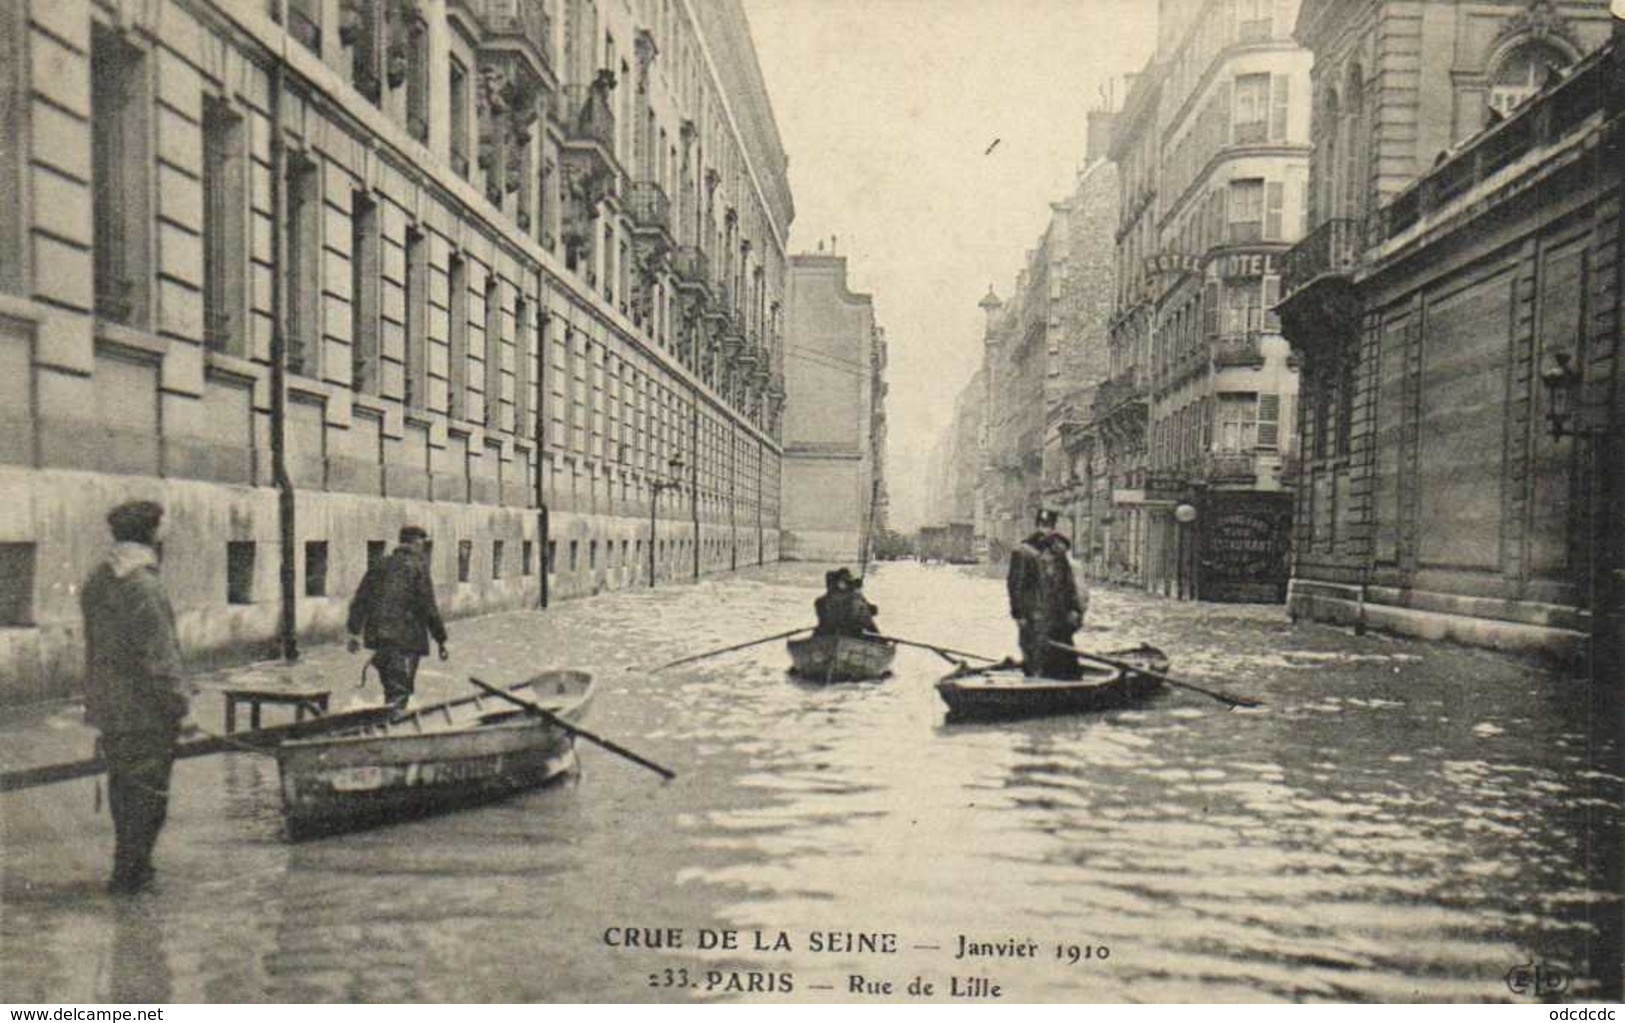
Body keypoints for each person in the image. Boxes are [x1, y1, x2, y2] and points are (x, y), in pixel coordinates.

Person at [81, 500, 189, 894]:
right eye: (165, 526)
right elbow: (160, 656)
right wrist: (181, 706)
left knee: (124, 791)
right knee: (149, 797)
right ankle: (131, 877)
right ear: (154, 532)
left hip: (110, 710)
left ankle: (129, 870)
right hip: (146, 713)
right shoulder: (143, 584)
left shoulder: (100, 578)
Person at [347, 525, 448, 710]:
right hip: (406, 640)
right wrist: (440, 638)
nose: (422, 549)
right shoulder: (418, 567)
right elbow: (428, 607)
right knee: (400, 690)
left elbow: (361, 599)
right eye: (422, 544)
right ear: (415, 543)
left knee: (391, 686)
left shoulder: (380, 563)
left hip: (379, 638)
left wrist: (354, 632)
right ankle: (394, 728)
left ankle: (388, 720)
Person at [1007, 510, 1084, 677]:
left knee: (1065, 661)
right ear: (1037, 526)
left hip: (1058, 615)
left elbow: (1068, 584)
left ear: (1053, 528)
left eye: (1049, 526)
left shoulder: (1058, 552)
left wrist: (1074, 609)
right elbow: (1015, 586)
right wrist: (1018, 614)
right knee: (1036, 656)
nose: (1045, 530)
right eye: (1042, 526)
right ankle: (1035, 684)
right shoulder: (1023, 552)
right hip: (1034, 616)